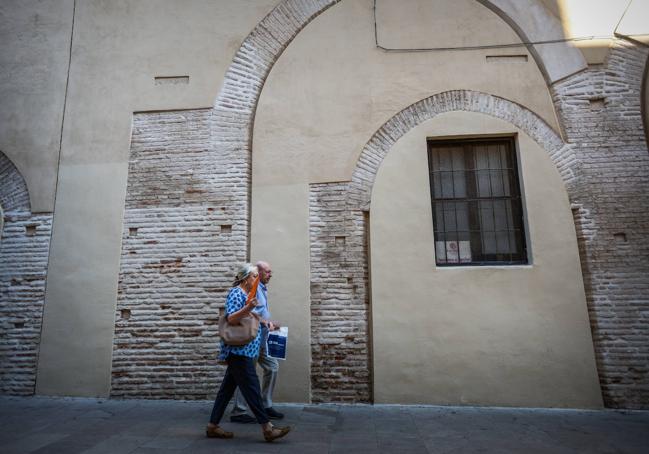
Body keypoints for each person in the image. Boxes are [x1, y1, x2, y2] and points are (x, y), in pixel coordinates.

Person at [206, 263, 290, 442]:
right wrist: (249, 308)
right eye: (253, 276)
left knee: (226, 390)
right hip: (239, 350)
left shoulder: (247, 294)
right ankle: (268, 428)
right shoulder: (236, 292)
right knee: (252, 389)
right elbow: (232, 318)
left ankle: (212, 426)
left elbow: (248, 317)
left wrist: (264, 321)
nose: (256, 279)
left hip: (246, 349)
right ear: (244, 278)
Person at [230, 260, 284, 423]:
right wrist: (264, 322)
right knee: (247, 374)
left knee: (272, 367)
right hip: (252, 337)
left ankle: (266, 404)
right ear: (257, 273)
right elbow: (247, 312)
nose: (270, 274)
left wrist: (270, 323)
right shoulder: (250, 289)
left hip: (264, 336)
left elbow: (259, 312)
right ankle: (239, 411)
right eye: (267, 272)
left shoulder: (262, 288)